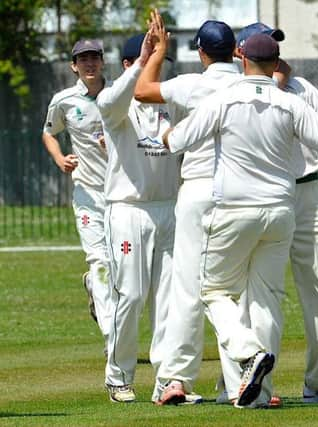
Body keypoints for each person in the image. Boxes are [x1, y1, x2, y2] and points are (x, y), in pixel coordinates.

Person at [163, 34, 318, 408]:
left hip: (234, 209)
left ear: (242, 59)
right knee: (267, 299)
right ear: (276, 62)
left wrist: (164, 131)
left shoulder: (223, 98)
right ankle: (257, 396)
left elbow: (177, 142)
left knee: (212, 291)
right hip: (281, 212)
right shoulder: (289, 102)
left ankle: (249, 354)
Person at [220, 22, 318, 406]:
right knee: (253, 297)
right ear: (243, 54)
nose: (275, 56)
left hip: (308, 193)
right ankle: (252, 387)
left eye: (276, 47)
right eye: (266, 49)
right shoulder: (233, 93)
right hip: (262, 200)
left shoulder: (301, 89)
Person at [134, 12, 241, 405]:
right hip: (241, 196)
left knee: (187, 288)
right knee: (234, 290)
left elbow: (142, 90)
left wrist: (159, 51)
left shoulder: (193, 83)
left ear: (201, 52)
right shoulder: (249, 84)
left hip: (198, 190)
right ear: (235, 51)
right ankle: (240, 382)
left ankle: (176, 378)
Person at [97, 32, 181, 403]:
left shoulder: (167, 103)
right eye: (148, 62)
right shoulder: (117, 104)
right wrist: (141, 65)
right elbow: (110, 100)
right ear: (130, 66)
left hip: (167, 207)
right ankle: (118, 376)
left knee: (167, 299)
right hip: (127, 209)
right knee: (130, 296)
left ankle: (166, 378)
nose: (156, 70)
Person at [42, 39, 111, 348]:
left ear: (102, 61)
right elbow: (48, 132)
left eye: (94, 57)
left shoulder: (119, 96)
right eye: (83, 59)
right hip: (86, 191)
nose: (89, 63)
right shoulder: (64, 100)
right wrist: (60, 159)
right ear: (74, 66)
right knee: (99, 261)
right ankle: (113, 338)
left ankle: (94, 289)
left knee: (123, 269)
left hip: (123, 194)